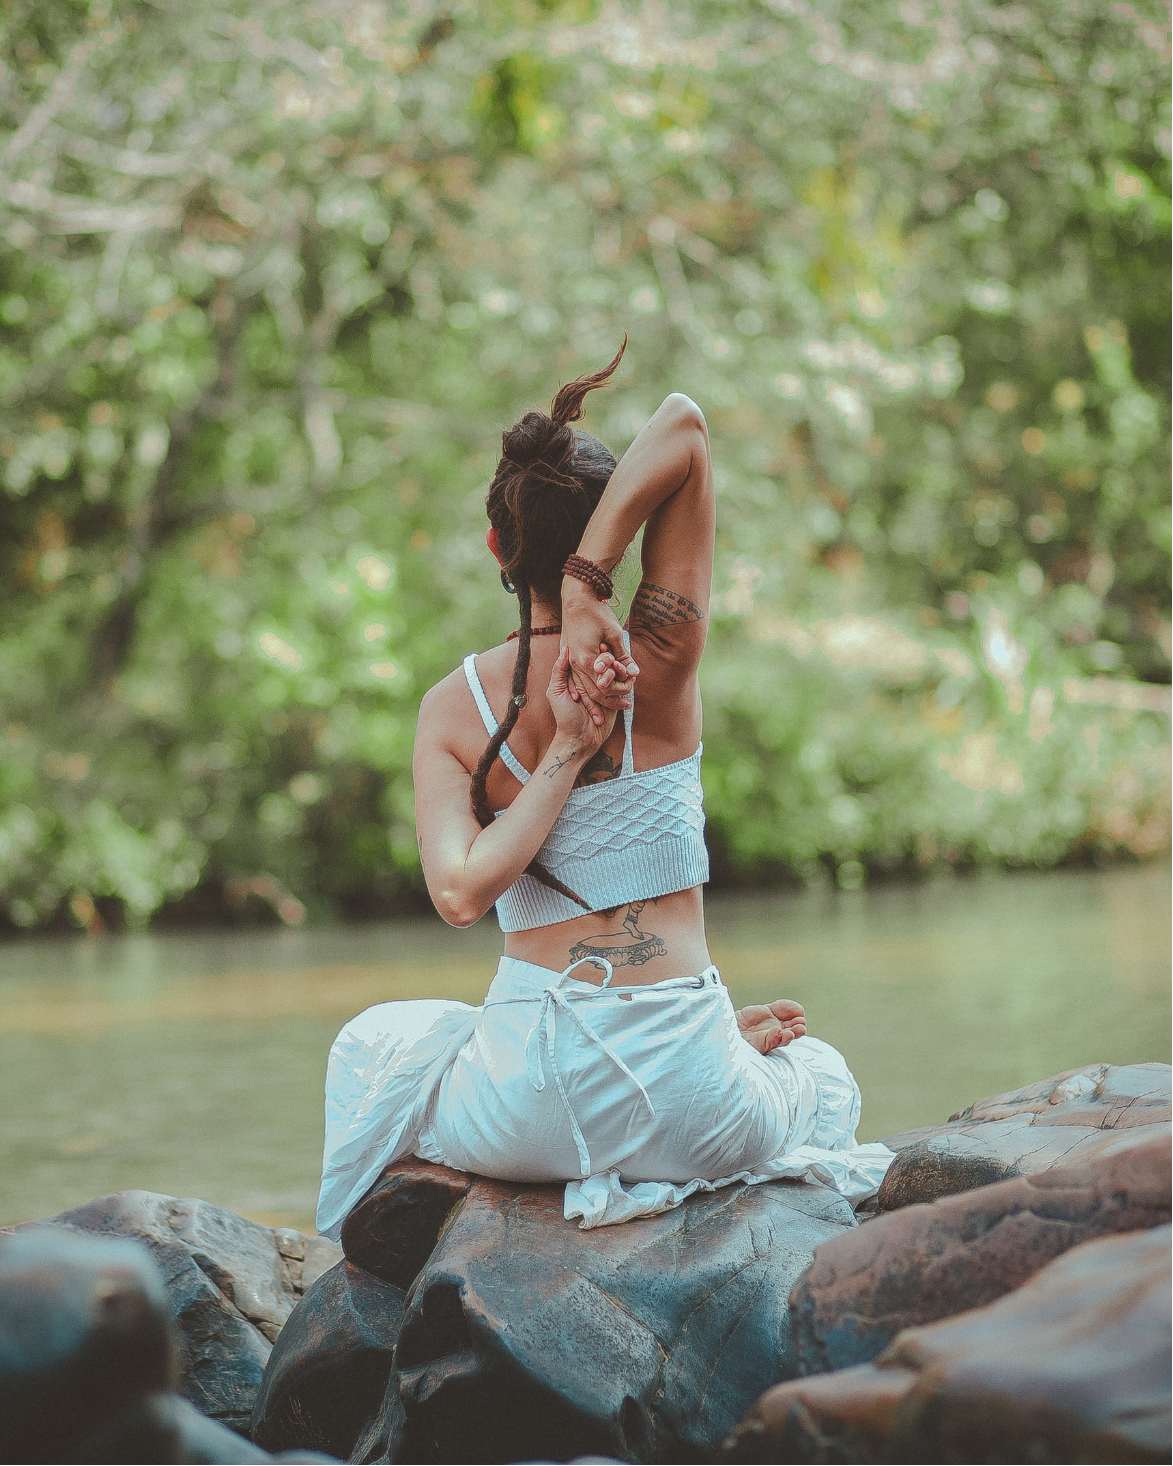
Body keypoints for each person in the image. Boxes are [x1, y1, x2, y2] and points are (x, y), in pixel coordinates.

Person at [316, 343, 892, 1238]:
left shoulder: (450, 711)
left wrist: (551, 742)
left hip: (528, 1107)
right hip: (696, 1109)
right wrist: (594, 591)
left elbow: (460, 893)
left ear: (495, 546)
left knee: (378, 1046)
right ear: (612, 530)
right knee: (817, 1071)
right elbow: (684, 426)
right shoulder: (655, 659)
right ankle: (709, 1055)